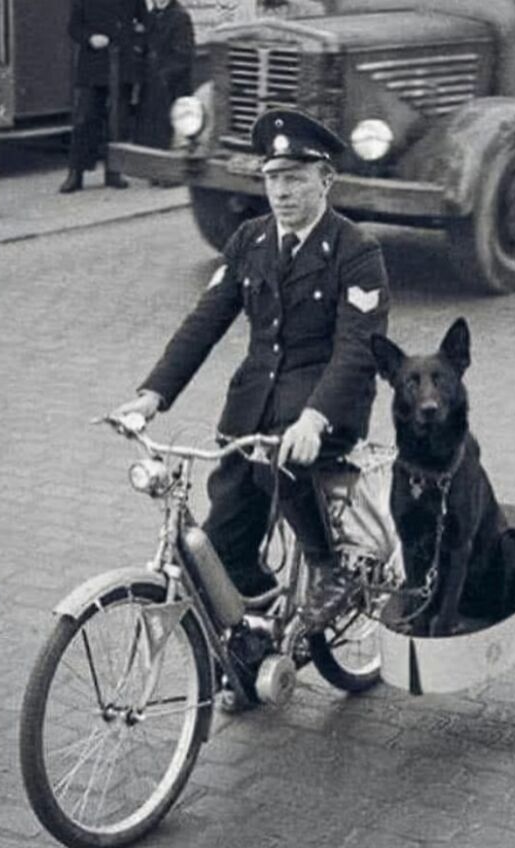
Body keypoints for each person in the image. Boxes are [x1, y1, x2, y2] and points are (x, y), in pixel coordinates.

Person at [112, 109, 390, 627]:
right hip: (251, 412)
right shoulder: (249, 241)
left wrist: (315, 419)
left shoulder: (356, 251)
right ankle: (257, 625)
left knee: (278, 463)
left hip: (322, 409)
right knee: (217, 549)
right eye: (273, 179)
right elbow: (205, 321)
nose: (281, 193)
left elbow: (358, 348)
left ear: (325, 180)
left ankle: (330, 570)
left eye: (295, 179)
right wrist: (152, 394)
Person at [60, 0, 144, 193]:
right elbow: (74, 28)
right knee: (85, 119)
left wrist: (132, 43)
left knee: (117, 121)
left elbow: (143, 23)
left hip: (122, 65)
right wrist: (90, 38)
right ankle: (76, 173)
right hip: (93, 66)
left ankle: (114, 172)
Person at [134, 0, 194, 153]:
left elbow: (183, 55)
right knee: (149, 135)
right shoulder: (152, 16)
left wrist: (163, 75)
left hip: (171, 87)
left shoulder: (180, 17)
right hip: (151, 83)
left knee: (166, 134)